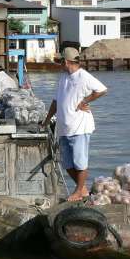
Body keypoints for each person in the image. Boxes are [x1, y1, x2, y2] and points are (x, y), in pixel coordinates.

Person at [42, 47, 108, 201]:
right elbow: (55, 101)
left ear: (66, 61)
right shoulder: (63, 78)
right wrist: (46, 120)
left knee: (80, 162)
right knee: (67, 163)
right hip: (64, 127)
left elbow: (102, 90)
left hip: (79, 126)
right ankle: (82, 189)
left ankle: (78, 191)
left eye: (60, 61)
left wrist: (85, 101)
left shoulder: (83, 76)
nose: (59, 64)